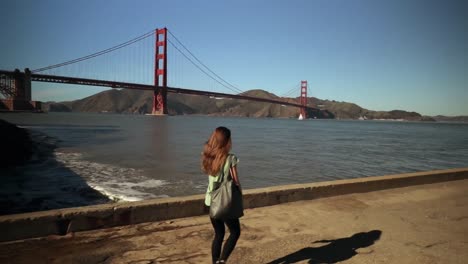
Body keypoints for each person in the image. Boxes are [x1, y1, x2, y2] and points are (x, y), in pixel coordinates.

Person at [202, 126, 242, 264]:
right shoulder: (231, 159)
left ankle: (215, 262)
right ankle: (222, 260)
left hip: (211, 201)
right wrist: (240, 197)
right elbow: (236, 182)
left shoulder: (209, 157)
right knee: (235, 232)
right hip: (225, 202)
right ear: (227, 141)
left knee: (219, 234)